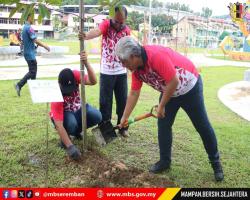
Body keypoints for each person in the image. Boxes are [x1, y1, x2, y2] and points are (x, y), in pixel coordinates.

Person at [115, 36, 224, 182]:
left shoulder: (156, 56)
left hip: (189, 88)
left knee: (202, 126)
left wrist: (161, 106)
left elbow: (174, 81)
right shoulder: (136, 71)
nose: (123, 65)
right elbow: (134, 93)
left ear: (134, 56)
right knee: (164, 126)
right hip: (170, 92)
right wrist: (124, 117)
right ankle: (164, 161)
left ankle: (216, 164)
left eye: (124, 61)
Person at [78, 6, 130, 137]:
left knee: (123, 101)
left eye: (121, 22)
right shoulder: (106, 24)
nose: (118, 24)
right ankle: (105, 130)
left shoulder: (127, 31)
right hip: (106, 72)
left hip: (121, 72)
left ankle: (122, 127)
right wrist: (86, 35)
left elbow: (128, 48)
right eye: (116, 21)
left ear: (125, 19)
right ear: (112, 17)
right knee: (105, 102)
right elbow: (97, 31)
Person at [50, 51, 102, 160]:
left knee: (97, 116)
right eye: (66, 90)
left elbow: (93, 81)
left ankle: (76, 132)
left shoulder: (75, 75)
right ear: (60, 84)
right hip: (66, 114)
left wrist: (86, 63)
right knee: (71, 123)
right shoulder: (55, 94)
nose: (69, 92)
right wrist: (70, 147)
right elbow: (59, 124)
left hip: (79, 108)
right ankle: (66, 138)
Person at [14, 13, 50, 97]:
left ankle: (34, 89)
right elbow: (35, 40)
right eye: (33, 17)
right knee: (32, 71)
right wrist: (45, 46)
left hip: (28, 53)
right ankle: (19, 85)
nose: (34, 19)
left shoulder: (24, 28)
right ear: (29, 17)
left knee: (33, 72)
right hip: (30, 54)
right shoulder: (29, 28)